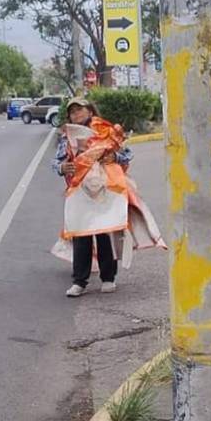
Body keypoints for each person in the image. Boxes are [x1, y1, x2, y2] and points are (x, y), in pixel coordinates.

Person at [54, 97, 133, 297]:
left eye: (80, 110)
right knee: (81, 233)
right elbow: (57, 162)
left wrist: (114, 157)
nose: (77, 114)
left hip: (106, 187)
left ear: (90, 111)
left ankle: (108, 278)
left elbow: (126, 154)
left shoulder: (105, 131)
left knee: (104, 231)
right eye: (72, 112)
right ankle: (79, 281)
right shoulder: (67, 137)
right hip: (80, 188)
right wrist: (62, 167)